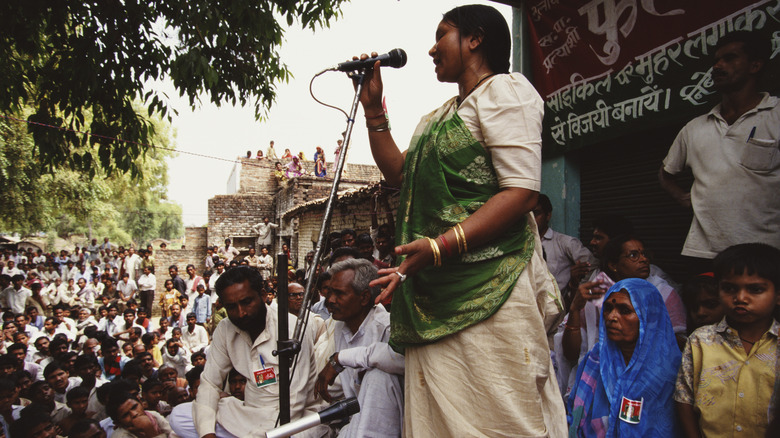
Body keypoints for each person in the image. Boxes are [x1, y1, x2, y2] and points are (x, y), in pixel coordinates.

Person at [355, 5, 566, 436]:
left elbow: (522, 192)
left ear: (475, 39)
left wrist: (436, 248)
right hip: (436, 290)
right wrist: (374, 110)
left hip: (493, 284)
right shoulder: (438, 118)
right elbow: (399, 174)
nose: (432, 49)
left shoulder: (507, 92)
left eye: (442, 35)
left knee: (501, 414)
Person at [659, 31, 780, 263]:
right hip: (705, 253)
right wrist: (683, 196)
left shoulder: (776, 115)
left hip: (765, 254)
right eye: (715, 61)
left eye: (730, 58)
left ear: (755, 65)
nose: (718, 66)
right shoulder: (694, 128)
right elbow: (665, 173)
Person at [182, 266, 321, 438]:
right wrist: (207, 434)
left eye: (246, 302)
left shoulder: (292, 329)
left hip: (293, 418)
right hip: (250, 413)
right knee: (180, 415)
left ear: (263, 295)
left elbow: (295, 401)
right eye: (232, 307)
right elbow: (210, 383)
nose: (241, 313)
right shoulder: (226, 329)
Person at [675, 243, 780, 438]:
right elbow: (684, 399)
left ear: (778, 295)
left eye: (755, 289)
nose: (740, 298)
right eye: (729, 288)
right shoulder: (701, 341)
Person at [568, 279, 681, 437]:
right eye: (608, 308)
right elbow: (573, 413)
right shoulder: (595, 360)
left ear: (648, 316)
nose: (612, 317)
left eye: (624, 310)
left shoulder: (668, 371)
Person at [315, 259, 404, 437]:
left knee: (377, 376)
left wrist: (340, 358)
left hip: (388, 425)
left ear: (363, 297)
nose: (330, 300)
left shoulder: (386, 327)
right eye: (330, 292)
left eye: (339, 294)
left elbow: (402, 360)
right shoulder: (340, 326)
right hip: (355, 421)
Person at [533, 194, 597, 306]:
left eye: (536, 213)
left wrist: (573, 296)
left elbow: (592, 265)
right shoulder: (521, 245)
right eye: (528, 215)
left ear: (548, 215)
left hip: (556, 310)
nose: (531, 219)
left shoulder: (565, 243)